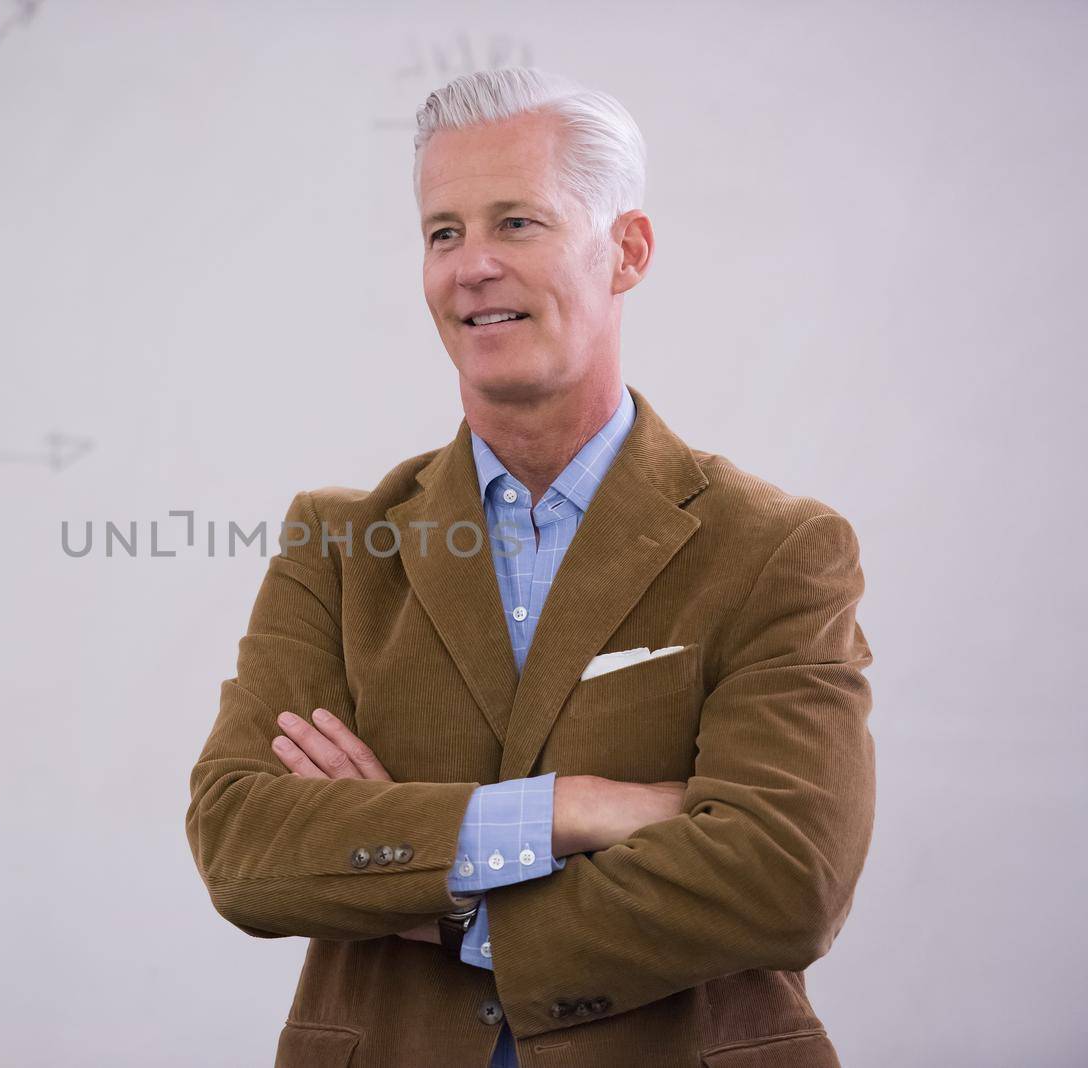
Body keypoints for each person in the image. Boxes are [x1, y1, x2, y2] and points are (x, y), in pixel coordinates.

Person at [184, 67, 874, 1067]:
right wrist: (568, 810)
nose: (469, 266)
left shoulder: (774, 549)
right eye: (442, 232)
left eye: (516, 222)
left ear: (625, 252)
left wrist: (438, 900)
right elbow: (245, 847)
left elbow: (783, 876)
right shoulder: (337, 548)